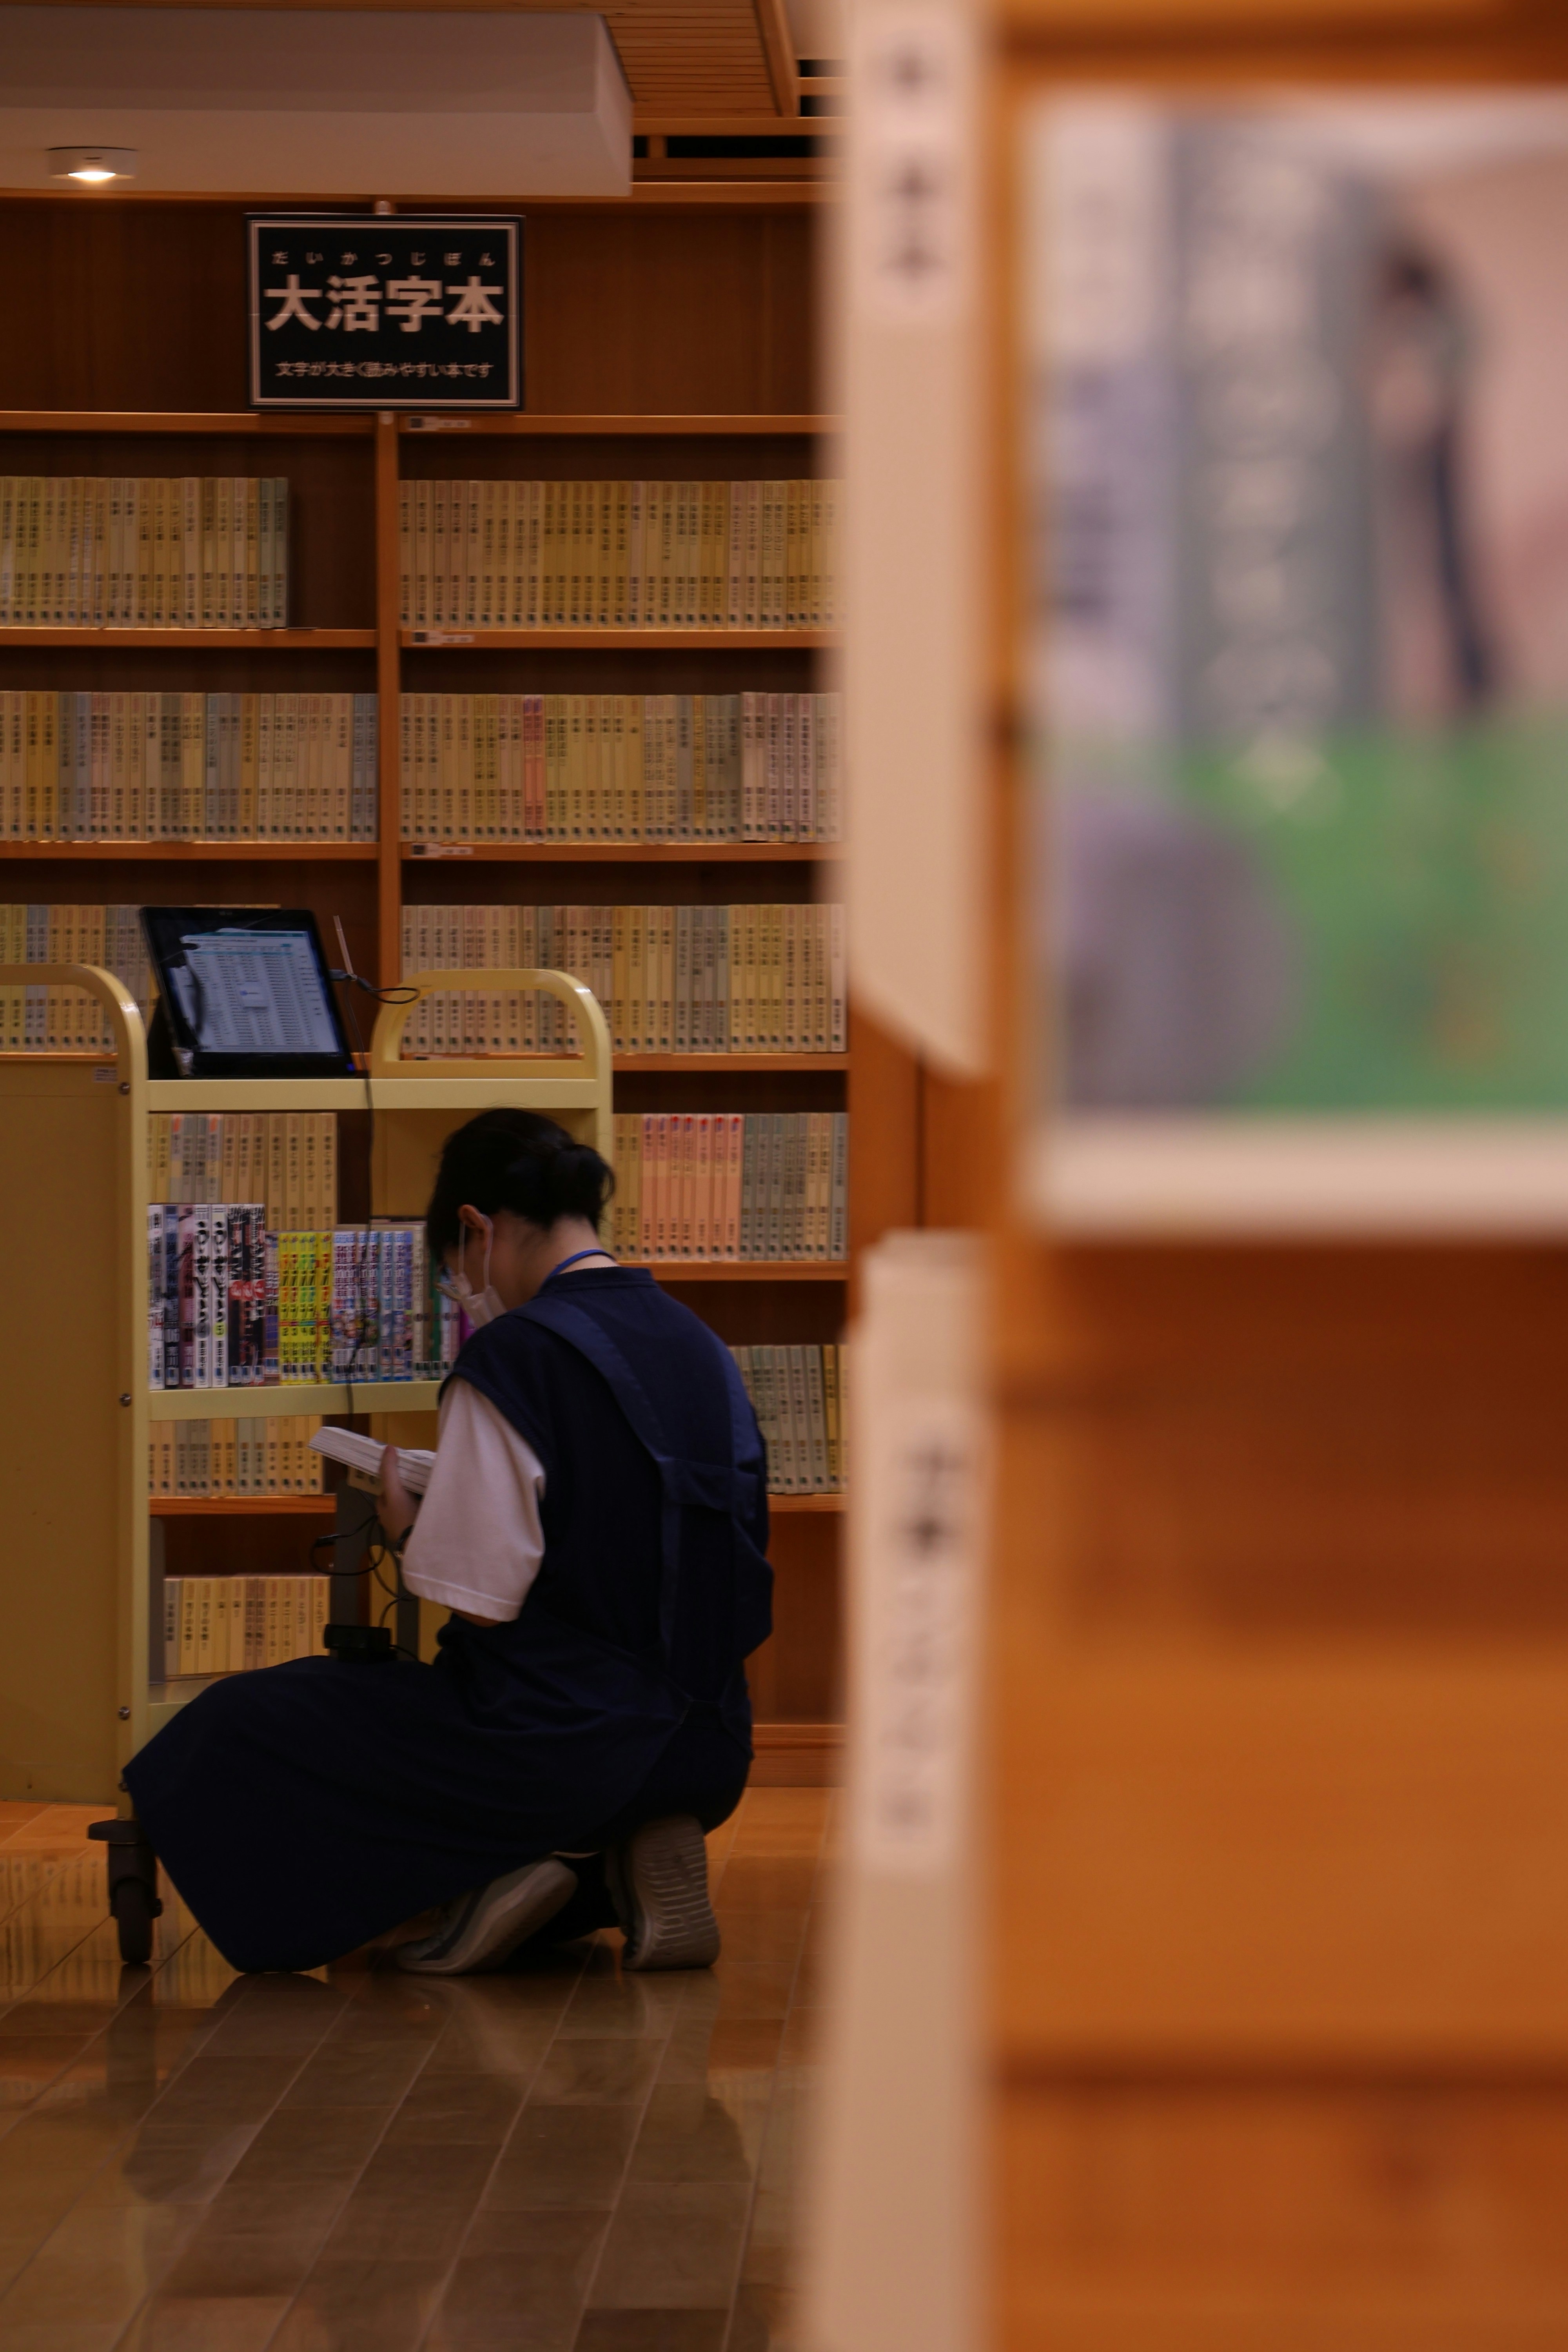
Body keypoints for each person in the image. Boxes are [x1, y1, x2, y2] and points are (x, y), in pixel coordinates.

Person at [123, 1107, 773, 1976]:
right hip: (713, 1743)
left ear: (476, 1230)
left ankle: (496, 1885)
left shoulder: (516, 1356)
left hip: (564, 1744)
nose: (470, 1291)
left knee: (244, 1725)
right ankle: (606, 1871)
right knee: (441, 1734)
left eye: (454, 1267)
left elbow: (482, 1596)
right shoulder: (699, 1344)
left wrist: (408, 1526)